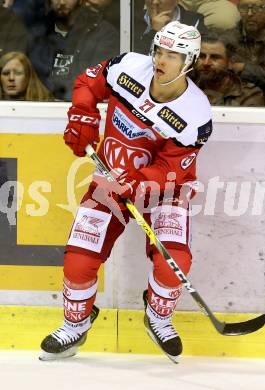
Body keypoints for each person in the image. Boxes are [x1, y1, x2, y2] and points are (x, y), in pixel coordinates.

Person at [39, 21, 213, 363]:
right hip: (110, 178)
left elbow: (171, 169)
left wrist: (135, 181)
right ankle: (75, 324)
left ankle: (158, 316)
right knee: (78, 259)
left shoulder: (196, 113)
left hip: (164, 190)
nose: (161, 59)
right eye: (159, 50)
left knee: (172, 262)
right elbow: (90, 83)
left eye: (173, 55)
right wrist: (82, 114)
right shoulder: (129, 67)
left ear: (189, 61)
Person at [28, 0, 119, 100]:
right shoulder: (39, 34)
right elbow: (32, 77)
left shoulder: (102, 33)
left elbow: (97, 80)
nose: (62, 2)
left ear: (80, 1)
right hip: (40, 106)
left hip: (82, 106)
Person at [192, 32, 265, 106]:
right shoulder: (188, 87)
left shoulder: (248, 94)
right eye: (201, 56)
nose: (206, 63)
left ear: (230, 62)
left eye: (214, 57)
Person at [133, 0, 206, 54]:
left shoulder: (194, 22)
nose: (155, 2)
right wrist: (153, 32)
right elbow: (133, 59)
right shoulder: (132, 22)